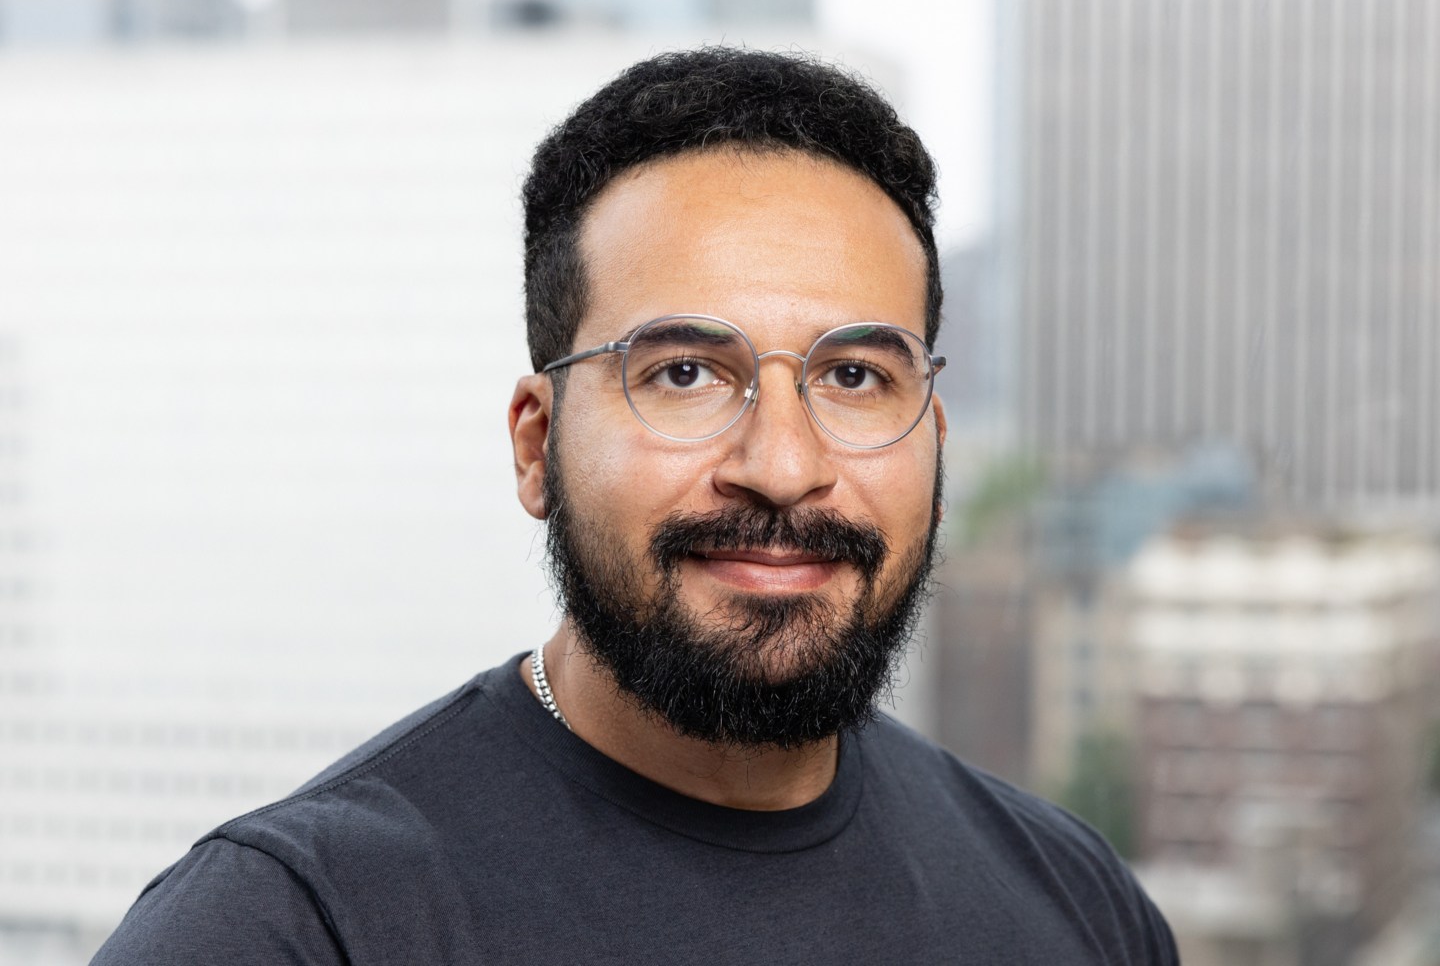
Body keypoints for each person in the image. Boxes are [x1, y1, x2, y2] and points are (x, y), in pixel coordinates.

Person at [93, 48, 1178, 964]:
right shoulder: (290, 927)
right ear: (537, 443)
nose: (783, 465)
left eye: (855, 376)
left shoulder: (1077, 904)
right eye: (684, 374)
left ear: (932, 437)